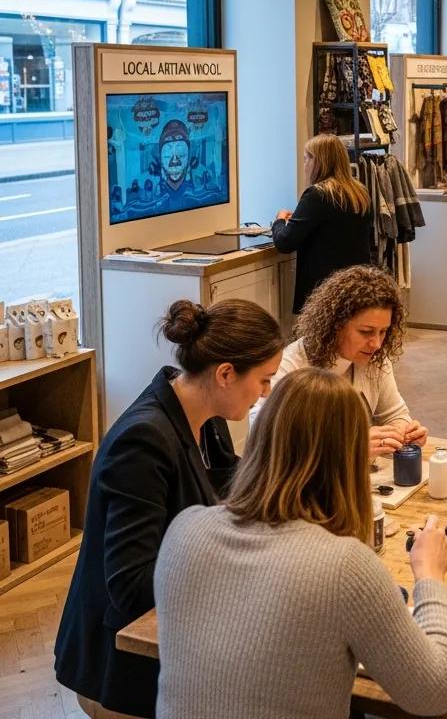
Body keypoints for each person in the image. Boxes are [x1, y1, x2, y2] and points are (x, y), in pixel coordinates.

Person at [154, 368, 447, 719]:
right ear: (350, 458)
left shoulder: (185, 528)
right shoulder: (345, 566)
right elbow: (435, 693)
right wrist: (431, 578)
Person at [54, 300, 284, 719]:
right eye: (265, 380)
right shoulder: (143, 441)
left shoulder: (204, 413)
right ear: (226, 373)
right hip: (121, 665)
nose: (265, 393)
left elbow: (230, 487)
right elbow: (131, 585)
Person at [252, 265, 428, 457]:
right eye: (366, 332)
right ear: (335, 325)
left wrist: (404, 432)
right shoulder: (290, 367)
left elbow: (394, 414)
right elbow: (265, 442)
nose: (377, 343)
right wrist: (349, 447)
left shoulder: (374, 358)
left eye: (383, 331)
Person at [272, 133, 373, 313]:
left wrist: (279, 220)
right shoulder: (359, 193)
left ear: (317, 162)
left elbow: (285, 242)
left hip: (324, 290)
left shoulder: (317, 195)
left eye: (306, 159)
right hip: (355, 285)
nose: (304, 165)